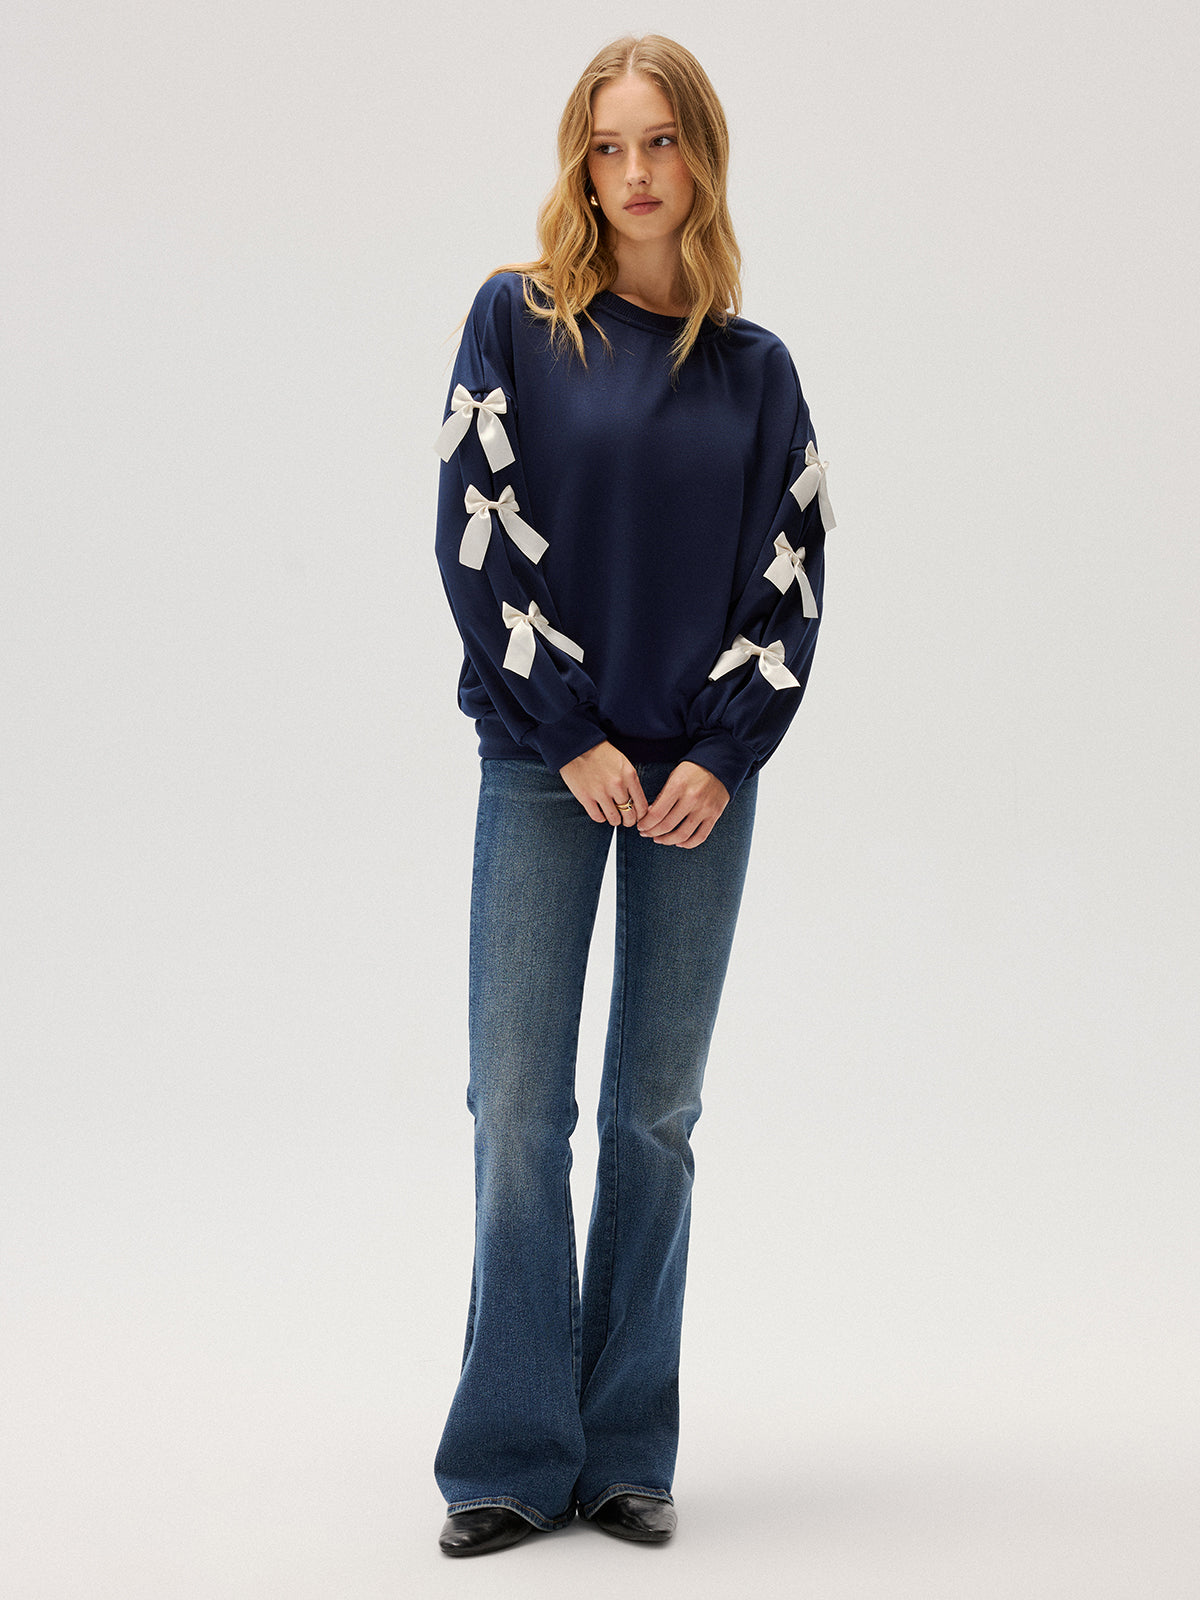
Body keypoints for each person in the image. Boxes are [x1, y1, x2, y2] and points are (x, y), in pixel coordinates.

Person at [431, 33, 834, 1558]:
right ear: (581, 165)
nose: (636, 172)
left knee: (655, 1116)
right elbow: (477, 531)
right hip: (548, 769)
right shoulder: (516, 324)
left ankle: (623, 1452)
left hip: (695, 789)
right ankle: (508, 1454)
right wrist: (572, 735)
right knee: (518, 1108)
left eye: (661, 140)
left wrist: (719, 754)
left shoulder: (757, 374)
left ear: (701, 156)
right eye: (609, 146)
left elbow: (791, 576)